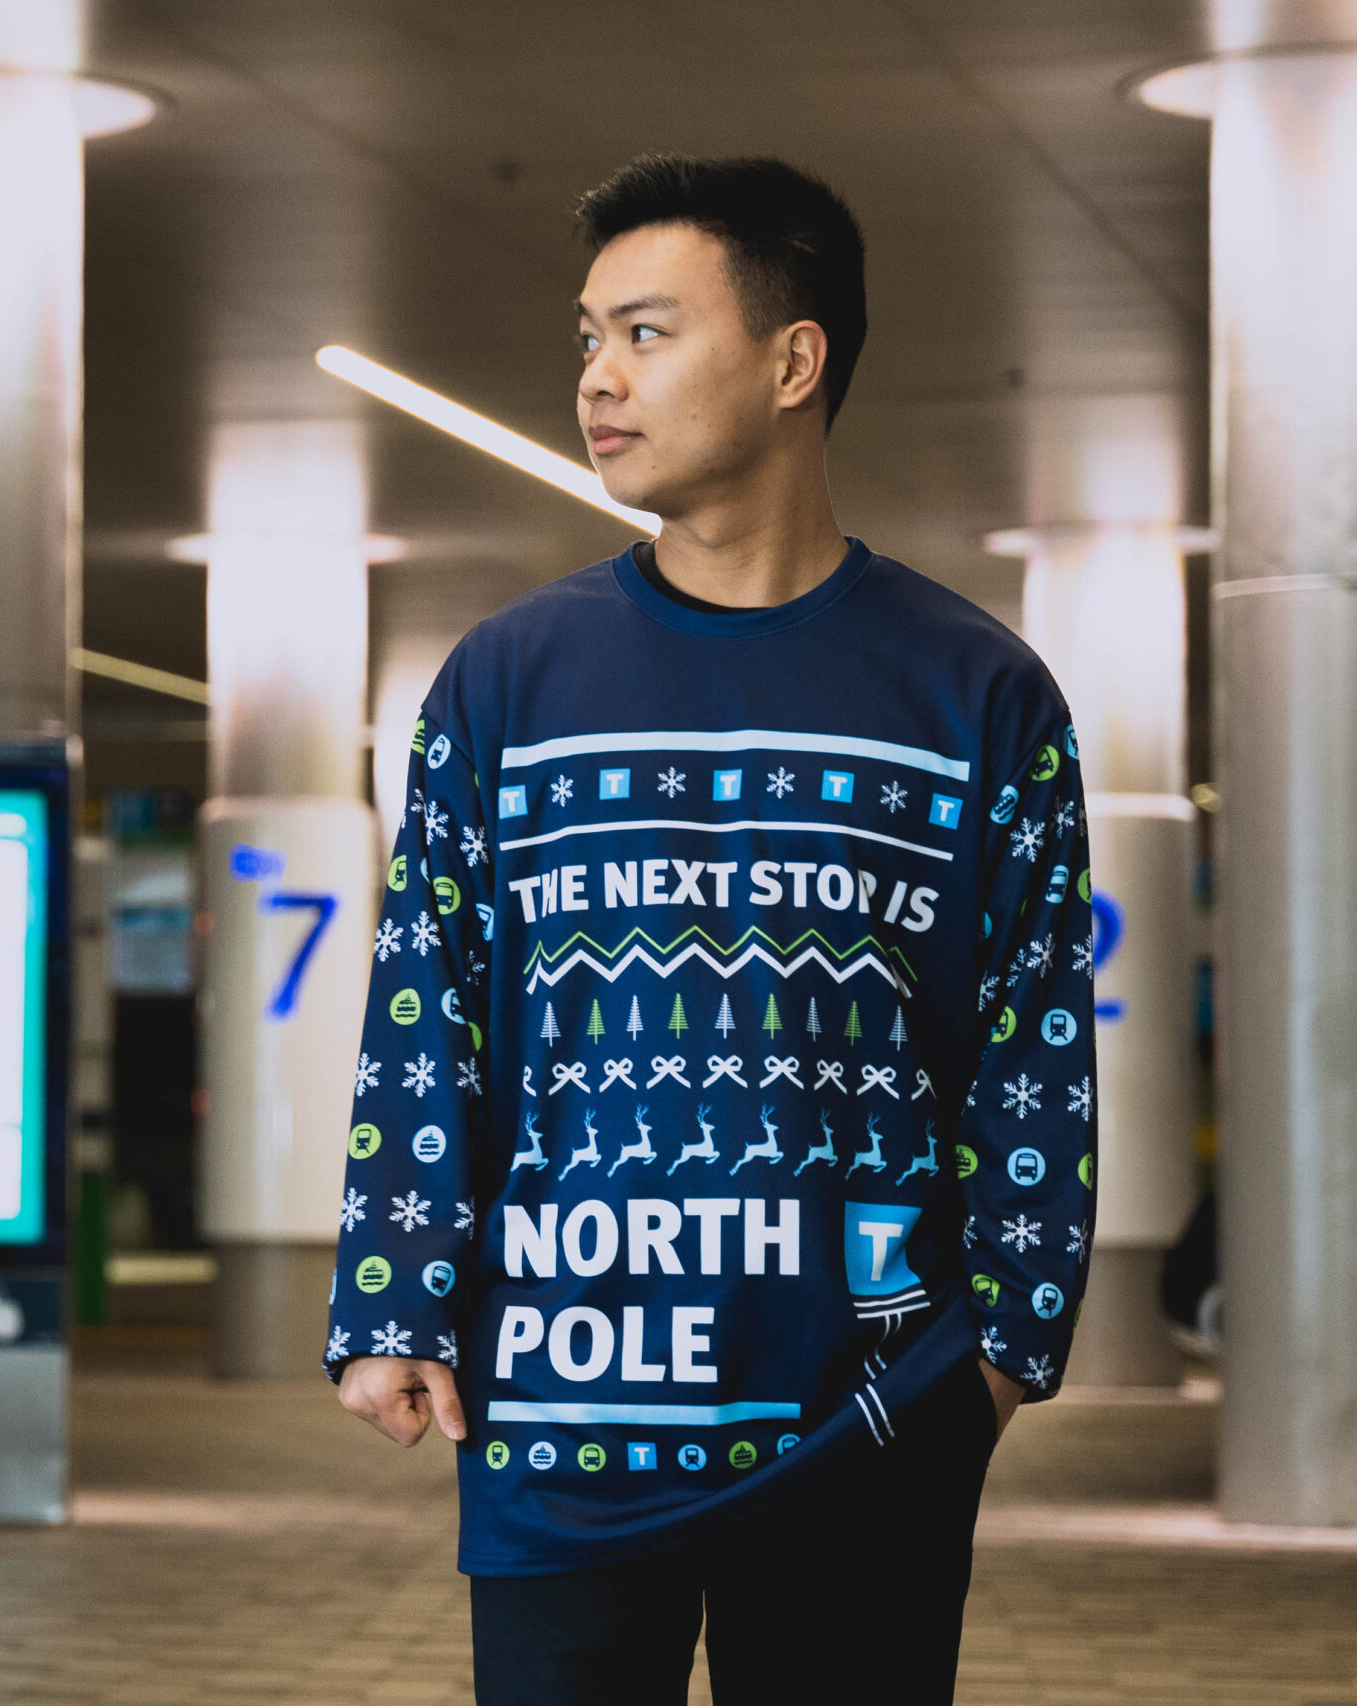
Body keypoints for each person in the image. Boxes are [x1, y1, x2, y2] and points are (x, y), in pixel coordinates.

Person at [323, 155, 1096, 1705]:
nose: (600, 377)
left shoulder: (974, 692)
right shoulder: (507, 682)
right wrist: (391, 1294)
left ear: (795, 359)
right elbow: (427, 1006)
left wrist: (1008, 1347)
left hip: (865, 1419)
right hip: (567, 1411)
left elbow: (1034, 1039)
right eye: (588, 338)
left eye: (648, 333)